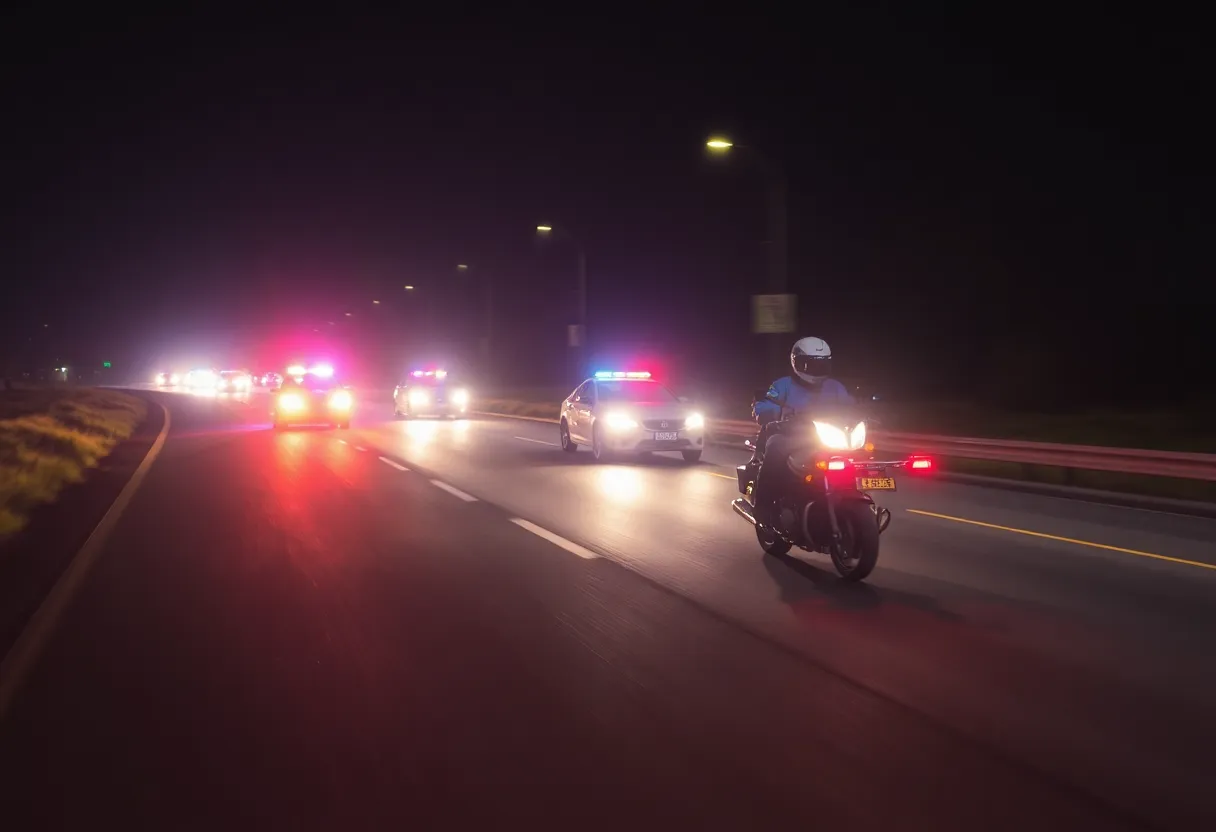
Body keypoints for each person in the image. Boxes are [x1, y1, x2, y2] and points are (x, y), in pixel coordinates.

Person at [749, 336, 853, 527]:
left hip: (827, 438)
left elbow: (851, 407)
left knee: (858, 457)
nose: (816, 370)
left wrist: (871, 415)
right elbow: (763, 405)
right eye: (810, 364)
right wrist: (774, 412)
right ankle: (762, 507)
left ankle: (848, 500)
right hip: (792, 436)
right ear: (797, 362)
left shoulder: (836, 387)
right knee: (774, 446)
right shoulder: (783, 385)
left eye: (822, 365)